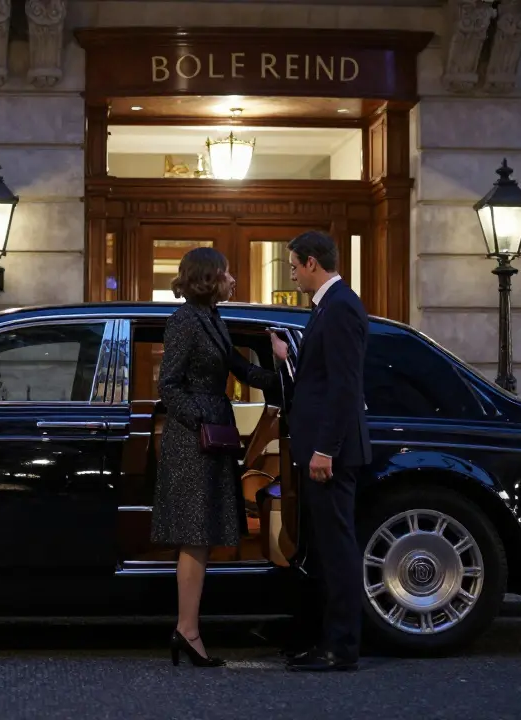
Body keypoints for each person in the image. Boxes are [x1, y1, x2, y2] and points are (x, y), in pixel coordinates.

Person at [152, 246, 283, 668]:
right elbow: (168, 386)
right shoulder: (183, 321)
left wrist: (283, 370)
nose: (233, 280)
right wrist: (204, 420)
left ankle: (186, 629)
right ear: (208, 278)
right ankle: (187, 630)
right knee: (195, 535)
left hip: (212, 435)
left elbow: (242, 371)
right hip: (194, 440)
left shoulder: (213, 319)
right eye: (227, 273)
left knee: (203, 535)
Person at [271, 230, 371, 672]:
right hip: (318, 450)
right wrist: (286, 359)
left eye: (294, 266)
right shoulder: (329, 306)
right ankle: (322, 639)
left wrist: (325, 451)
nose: (292, 274)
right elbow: (318, 377)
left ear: (312, 263)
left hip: (330, 454)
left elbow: (344, 387)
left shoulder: (342, 306)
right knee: (322, 552)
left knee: (337, 551)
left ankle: (342, 647)